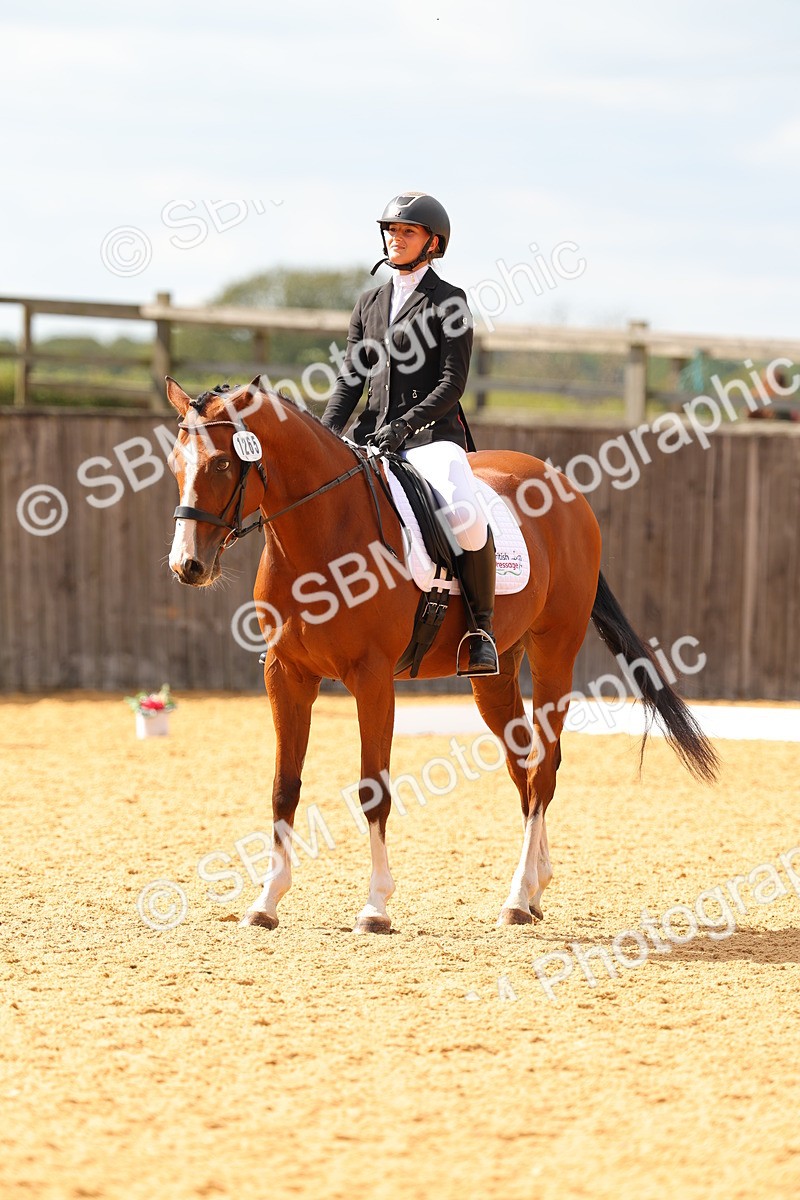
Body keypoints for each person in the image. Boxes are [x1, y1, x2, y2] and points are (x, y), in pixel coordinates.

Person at [321, 191, 498, 674]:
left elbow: (452, 383)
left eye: (407, 232)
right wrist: (327, 433)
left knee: (466, 516)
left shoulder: (449, 301)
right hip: (370, 436)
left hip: (430, 437)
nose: (395, 239)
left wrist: (405, 424)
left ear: (433, 242)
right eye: (391, 231)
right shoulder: (369, 303)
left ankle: (481, 629)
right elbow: (351, 380)